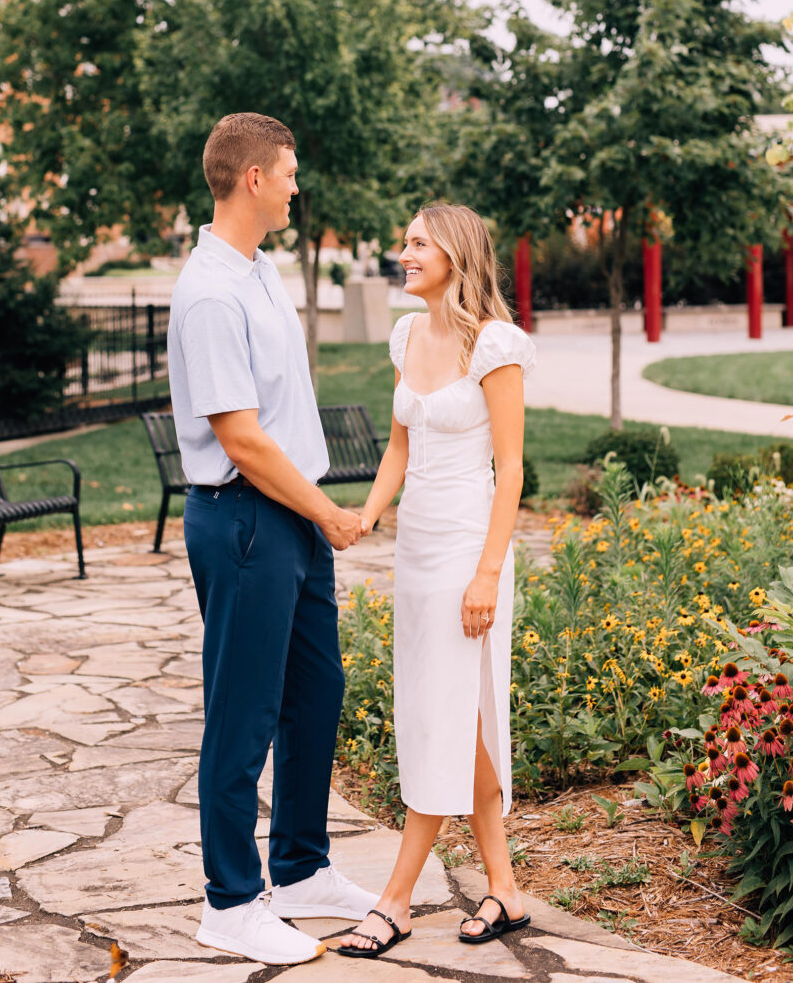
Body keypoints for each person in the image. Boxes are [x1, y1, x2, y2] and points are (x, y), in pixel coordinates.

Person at [168, 112, 378, 967]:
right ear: (253, 179)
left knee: (313, 695)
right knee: (243, 713)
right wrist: (327, 513)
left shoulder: (257, 270)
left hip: (289, 514)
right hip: (249, 517)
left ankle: (298, 870)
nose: (298, 184)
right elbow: (243, 439)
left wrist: (314, 511)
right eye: (289, 171)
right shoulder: (210, 290)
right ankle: (229, 900)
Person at [336, 203, 536, 958]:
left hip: (469, 553)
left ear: (454, 252)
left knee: (441, 718)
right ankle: (506, 888)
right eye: (405, 241)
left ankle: (394, 900)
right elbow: (399, 448)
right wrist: (364, 516)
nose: (404, 252)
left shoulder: (497, 343)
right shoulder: (406, 334)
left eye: (418, 243)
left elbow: (512, 469)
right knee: (455, 715)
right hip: (417, 553)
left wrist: (487, 572)